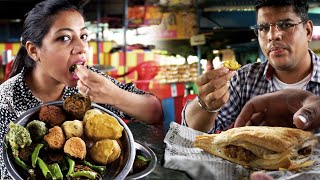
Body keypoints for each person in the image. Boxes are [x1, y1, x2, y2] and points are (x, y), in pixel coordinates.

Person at [0, 0, 163, 179]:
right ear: (33, 50)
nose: (81, 48)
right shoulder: (5, 101)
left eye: (83, 36)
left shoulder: (90, 82)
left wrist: (115, 95)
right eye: (64, 38)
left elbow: (154, 111)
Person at [182, 0, 320, 133]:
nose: (272, 36)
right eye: (263, 28)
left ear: (308, 31)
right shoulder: (244, 79)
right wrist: (205, 104)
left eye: (285, 25)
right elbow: (194, 132)